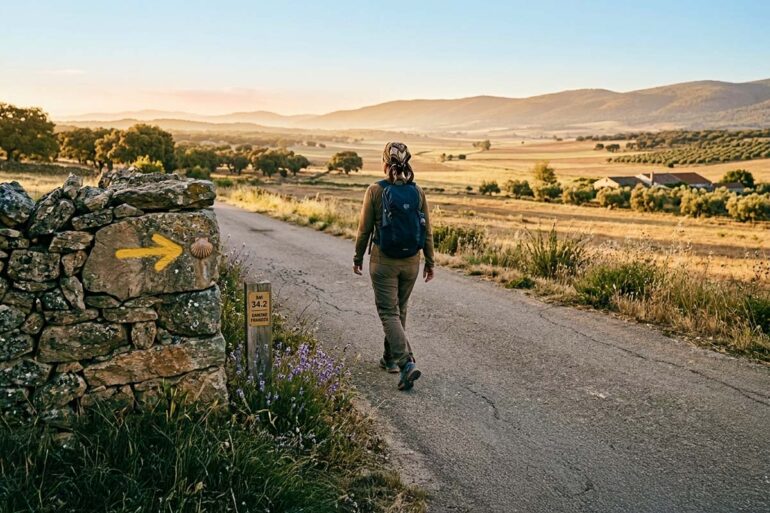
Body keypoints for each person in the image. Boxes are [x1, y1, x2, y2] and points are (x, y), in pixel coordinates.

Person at [353, 142, 435, 390]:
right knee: (399, 310)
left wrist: (358, 257)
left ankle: (405, 362)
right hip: (411, 261)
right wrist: (430, 261)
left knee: (389, 312)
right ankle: (389, 359)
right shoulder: (417, 191)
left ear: (385, 163)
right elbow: (427, 231)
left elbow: (364, 229)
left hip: (383, 261)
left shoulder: (375, 190)